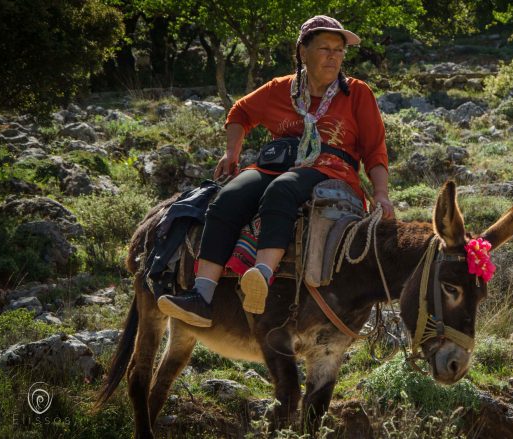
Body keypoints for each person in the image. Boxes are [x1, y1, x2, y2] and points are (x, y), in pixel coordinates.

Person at [157, 15, 395, 327]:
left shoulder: (356, 93)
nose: (333, 56)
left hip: (332, 171)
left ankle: (262, 276)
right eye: (325, 48)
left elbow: (374, 148)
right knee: (230, 196)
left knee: (283, 189)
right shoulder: (280, 89)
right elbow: (239, 112)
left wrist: (380, 193)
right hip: (277, 163)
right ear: (302, 52)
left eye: (339, 50)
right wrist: (232, 153)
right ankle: (201, 297)